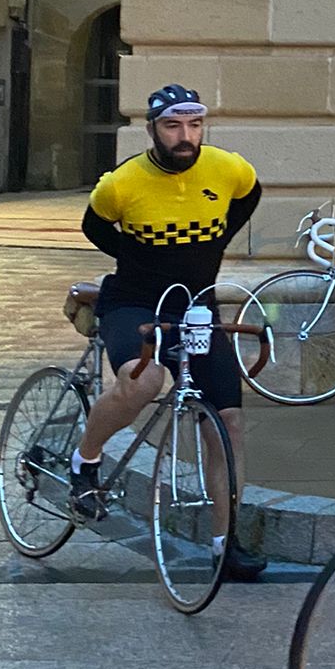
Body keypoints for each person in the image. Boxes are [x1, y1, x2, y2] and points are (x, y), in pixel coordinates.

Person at [72, 84, 265, 582]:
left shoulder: (228, 169)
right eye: (173, 126)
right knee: (145, 381)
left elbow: (249, 195)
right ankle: (84, 460)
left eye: (194, 125)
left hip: (196, 307)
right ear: (153, 128)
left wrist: (216, 239)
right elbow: (94, 226)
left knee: (229, 424)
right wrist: (137, 257)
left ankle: (228, 543)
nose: (186, 137)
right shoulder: (123, 183)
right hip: (133, 302)